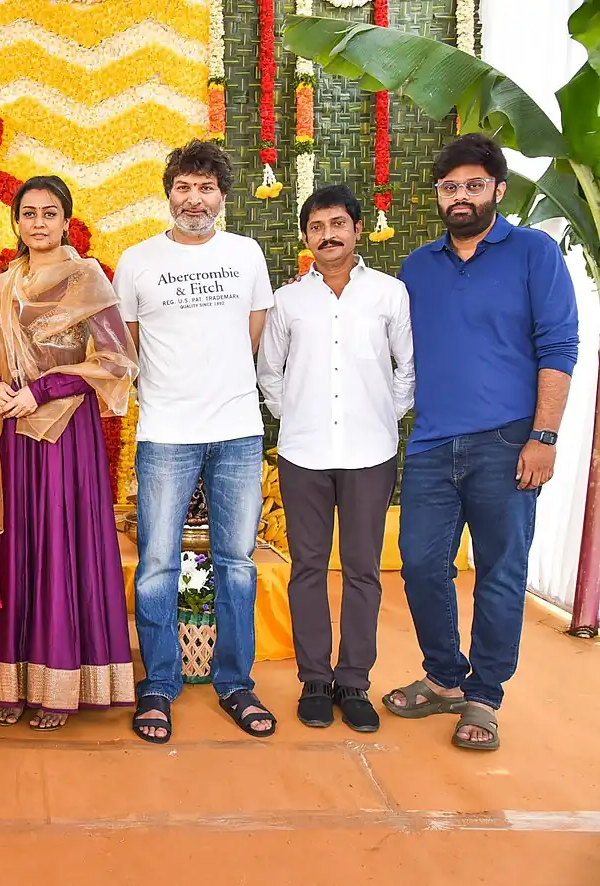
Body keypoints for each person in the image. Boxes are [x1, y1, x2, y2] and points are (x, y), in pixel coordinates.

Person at [383, 134, 579, 751]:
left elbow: (559, 347)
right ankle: (443, 676)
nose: (460, 196)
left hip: (508, 443)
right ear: (438, 196)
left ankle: (485, 696)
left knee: (499, 572)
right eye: (449, 187)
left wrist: (543, 436)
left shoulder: (533, 253)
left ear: (497, 189)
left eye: (472, 185)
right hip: (433, 444)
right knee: (419, 563)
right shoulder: (416, 267)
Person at [0, 176, 137, 730]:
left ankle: (59, 683)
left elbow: (115, 361)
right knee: (14, 548)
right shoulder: (2, 286)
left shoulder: (87, 279)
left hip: (62, 438)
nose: (38, 223)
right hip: (8, 435)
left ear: (65, 221)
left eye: (49, 213)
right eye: (29, 213)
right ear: (16, 222)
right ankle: (8, 681)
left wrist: (42, 389)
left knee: (58, 544)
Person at [116, 139, 278, 743]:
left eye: (206, 188)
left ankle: (237, 682)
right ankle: (158, 683)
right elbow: (127, 344)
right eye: (183, 187)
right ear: (168, 195)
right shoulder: (136, 260)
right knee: (157, 565)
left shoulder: (247, 254)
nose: (194, 199)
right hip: (166, 433)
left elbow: (253, 333)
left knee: (236, 564)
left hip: (237, 431)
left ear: (222, 197)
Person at [257, 184, 414, 733]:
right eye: (317, 226)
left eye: (338, 224)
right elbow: (268, 374)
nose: (328, 235)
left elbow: (406, 369)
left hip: (372, 452)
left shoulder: (390, 294)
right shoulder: (286, 301)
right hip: (303, 453)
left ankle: (354, 682)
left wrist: (382, 416)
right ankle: (315, 681)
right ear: (306, 236)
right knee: (306, 568)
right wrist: (296, 415)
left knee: (364, 571)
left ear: (356, 229)